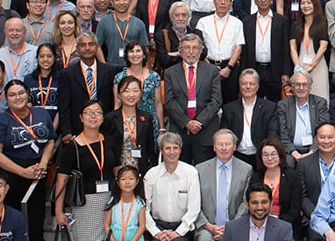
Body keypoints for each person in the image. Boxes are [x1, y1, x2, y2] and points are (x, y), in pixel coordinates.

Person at [0, 80, 57, 241]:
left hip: (37, 176)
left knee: (35, 224)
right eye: (12, 95)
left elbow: (50, 141)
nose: (18, 98)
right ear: (6, 99)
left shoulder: (41, 113)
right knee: (13, 225)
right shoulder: (0, 120)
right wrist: (22, 171)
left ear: (27, 94)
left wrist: (43, 163)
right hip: (12, 178)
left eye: (21, 93)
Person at [54, 99, 115, 241]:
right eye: (88, 113)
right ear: (80, 117)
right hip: (86, 204)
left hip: (108, 202)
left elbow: (115, 168)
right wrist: (58, 211)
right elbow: (61, 182)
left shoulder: (108, 141)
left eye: (98, 112)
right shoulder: (73, 147)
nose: (93, 116)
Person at [163, 33, 222, 165]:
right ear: (180, 50)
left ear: (201, 51)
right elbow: (170, 101)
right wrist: (187, 122)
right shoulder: (170, 73)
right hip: (180, 130)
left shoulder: (212, 71)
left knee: (204, 173)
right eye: (186, 48)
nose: (191, 52)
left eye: (195, 48)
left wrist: (199, 122)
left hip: (205, 131)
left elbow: (216, 100)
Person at [57, 33, 116, 142]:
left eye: (91, 44)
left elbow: (113, 102)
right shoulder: (67, 74)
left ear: (97, 47)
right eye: (83, 45)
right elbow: (64, 105)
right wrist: (66, 131)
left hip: (105, 129)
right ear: (77, 48)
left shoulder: (110, 71)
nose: (87, 48)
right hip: (77, 130)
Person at [240, 0, 291, 102]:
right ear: (255, 1)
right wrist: (243, 72)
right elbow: (245, 50)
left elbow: (286, 49)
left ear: (272, 0)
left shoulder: (281, 21)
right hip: (254, 68)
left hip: (274, 70)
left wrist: (286, 72)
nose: (263, 0)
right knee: (254, 102)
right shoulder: (247, 21)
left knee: (275, 103)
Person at [221, 69, 281, 167]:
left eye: (251, 84)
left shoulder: (269, 107)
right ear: (239, 86)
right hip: (237, 157)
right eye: (244, 84)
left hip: (261, 157)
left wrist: (266, 154)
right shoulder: (229, 109)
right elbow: (225, 134)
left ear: (257, 87)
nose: (247, 87)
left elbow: (273, 134)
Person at [104, 75, 159, 175]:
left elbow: (150, 147)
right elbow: (107, 147)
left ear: (140, 93)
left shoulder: (146, 117)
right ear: (119, 95)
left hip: (140, 168)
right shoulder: (110, 118)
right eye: (126, 91)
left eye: (135, 90)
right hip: (118, 169)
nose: (131, 95)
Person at [252, 138, 302, 235]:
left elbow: (295, 206)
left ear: (280, 155)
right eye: (265, 155)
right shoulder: (256, 177)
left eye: (273, 154)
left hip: (286, 225)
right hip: (259, 225)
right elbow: (252, 204)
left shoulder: (291, 176)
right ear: (260, 157)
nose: (270, 158)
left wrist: (278, 225)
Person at [290, 0, 330, 104]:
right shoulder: (295, 25)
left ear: (315, 4)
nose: (305, 6)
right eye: (302, 3)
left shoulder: (322, 23)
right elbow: (292, 47)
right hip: (300, 67)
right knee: (301, 99)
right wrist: (297, 66)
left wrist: (311, 66)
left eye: (309, 2)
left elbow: (323, 47)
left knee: (320, 99)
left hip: (318, 67)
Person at [113, 40, 164, 128]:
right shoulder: (119, 77)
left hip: (150, 123)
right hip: (127, 123)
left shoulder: (154, 76)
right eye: (131, 51)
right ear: (127, 56)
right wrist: (117, 125)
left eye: (138, 51)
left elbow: (158, 103)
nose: (135, 54)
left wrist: (162, 127)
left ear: (144, 55)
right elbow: (117, 104)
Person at [95, 0, 148, 70]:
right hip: (111, 67)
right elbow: (97, 46)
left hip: (133, 67)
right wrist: (104, 65)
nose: (121, 2)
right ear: (111, 2)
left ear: (130, 1)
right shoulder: (104, 22)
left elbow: (145, 48)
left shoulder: (139, 23)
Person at [0, 18, 38, 84]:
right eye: (11, 30)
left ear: (24, 32)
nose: (14, 33)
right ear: (5, 32)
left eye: (18, 30)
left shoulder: (36, 52)